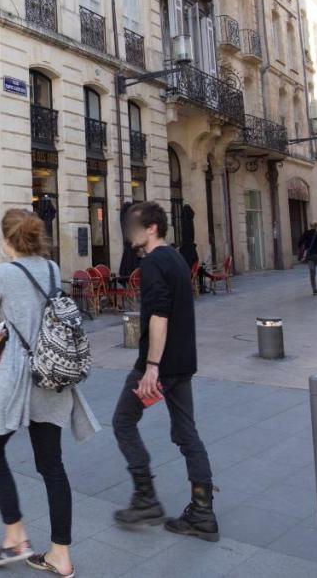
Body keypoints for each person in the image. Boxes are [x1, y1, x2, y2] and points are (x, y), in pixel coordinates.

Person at [0, 209, 97, 576]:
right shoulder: (52, 269)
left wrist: (1, 319)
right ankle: (60, 553)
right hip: (51, 374)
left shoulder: (1, 274)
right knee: (52, 466)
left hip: (14, 377)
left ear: (8, 239)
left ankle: (15, 536)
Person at [112, 201, 219, 542]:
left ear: (152, 228)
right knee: (187, 433)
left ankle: (145, 498)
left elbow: (159, 315)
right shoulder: (174, 257)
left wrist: (151, 368)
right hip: (183, 362)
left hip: (161, 366)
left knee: (123, 421)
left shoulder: (155, 262)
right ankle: (203, 513)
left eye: (134, 225)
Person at [297, 222, 317, 294]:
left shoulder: (306, 233)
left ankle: (314, 289)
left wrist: (304, 247)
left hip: (310, 257)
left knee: (312, 273)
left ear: (310, 226)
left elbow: (299, 243)